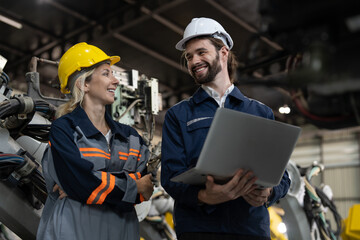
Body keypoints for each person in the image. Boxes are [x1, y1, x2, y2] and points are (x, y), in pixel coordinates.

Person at [161, 17, 291, 240]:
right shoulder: (178, 115)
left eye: (201, 52)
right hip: (199, 230)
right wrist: (204, 196)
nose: (194, 61)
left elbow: (282, 174)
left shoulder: (260, 112)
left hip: (249, 229)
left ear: (224, 52)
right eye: (189, 56)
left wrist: (269, 193)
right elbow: (171, 177)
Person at [36, 42, 154, 240]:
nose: (116, 80)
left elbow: (148, 185)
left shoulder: (131, 136)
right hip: (74, 231)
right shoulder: (65, 129)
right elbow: (81, 182)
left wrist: (88, 185)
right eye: (106, 73)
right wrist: (132, 187)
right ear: (84, 84)